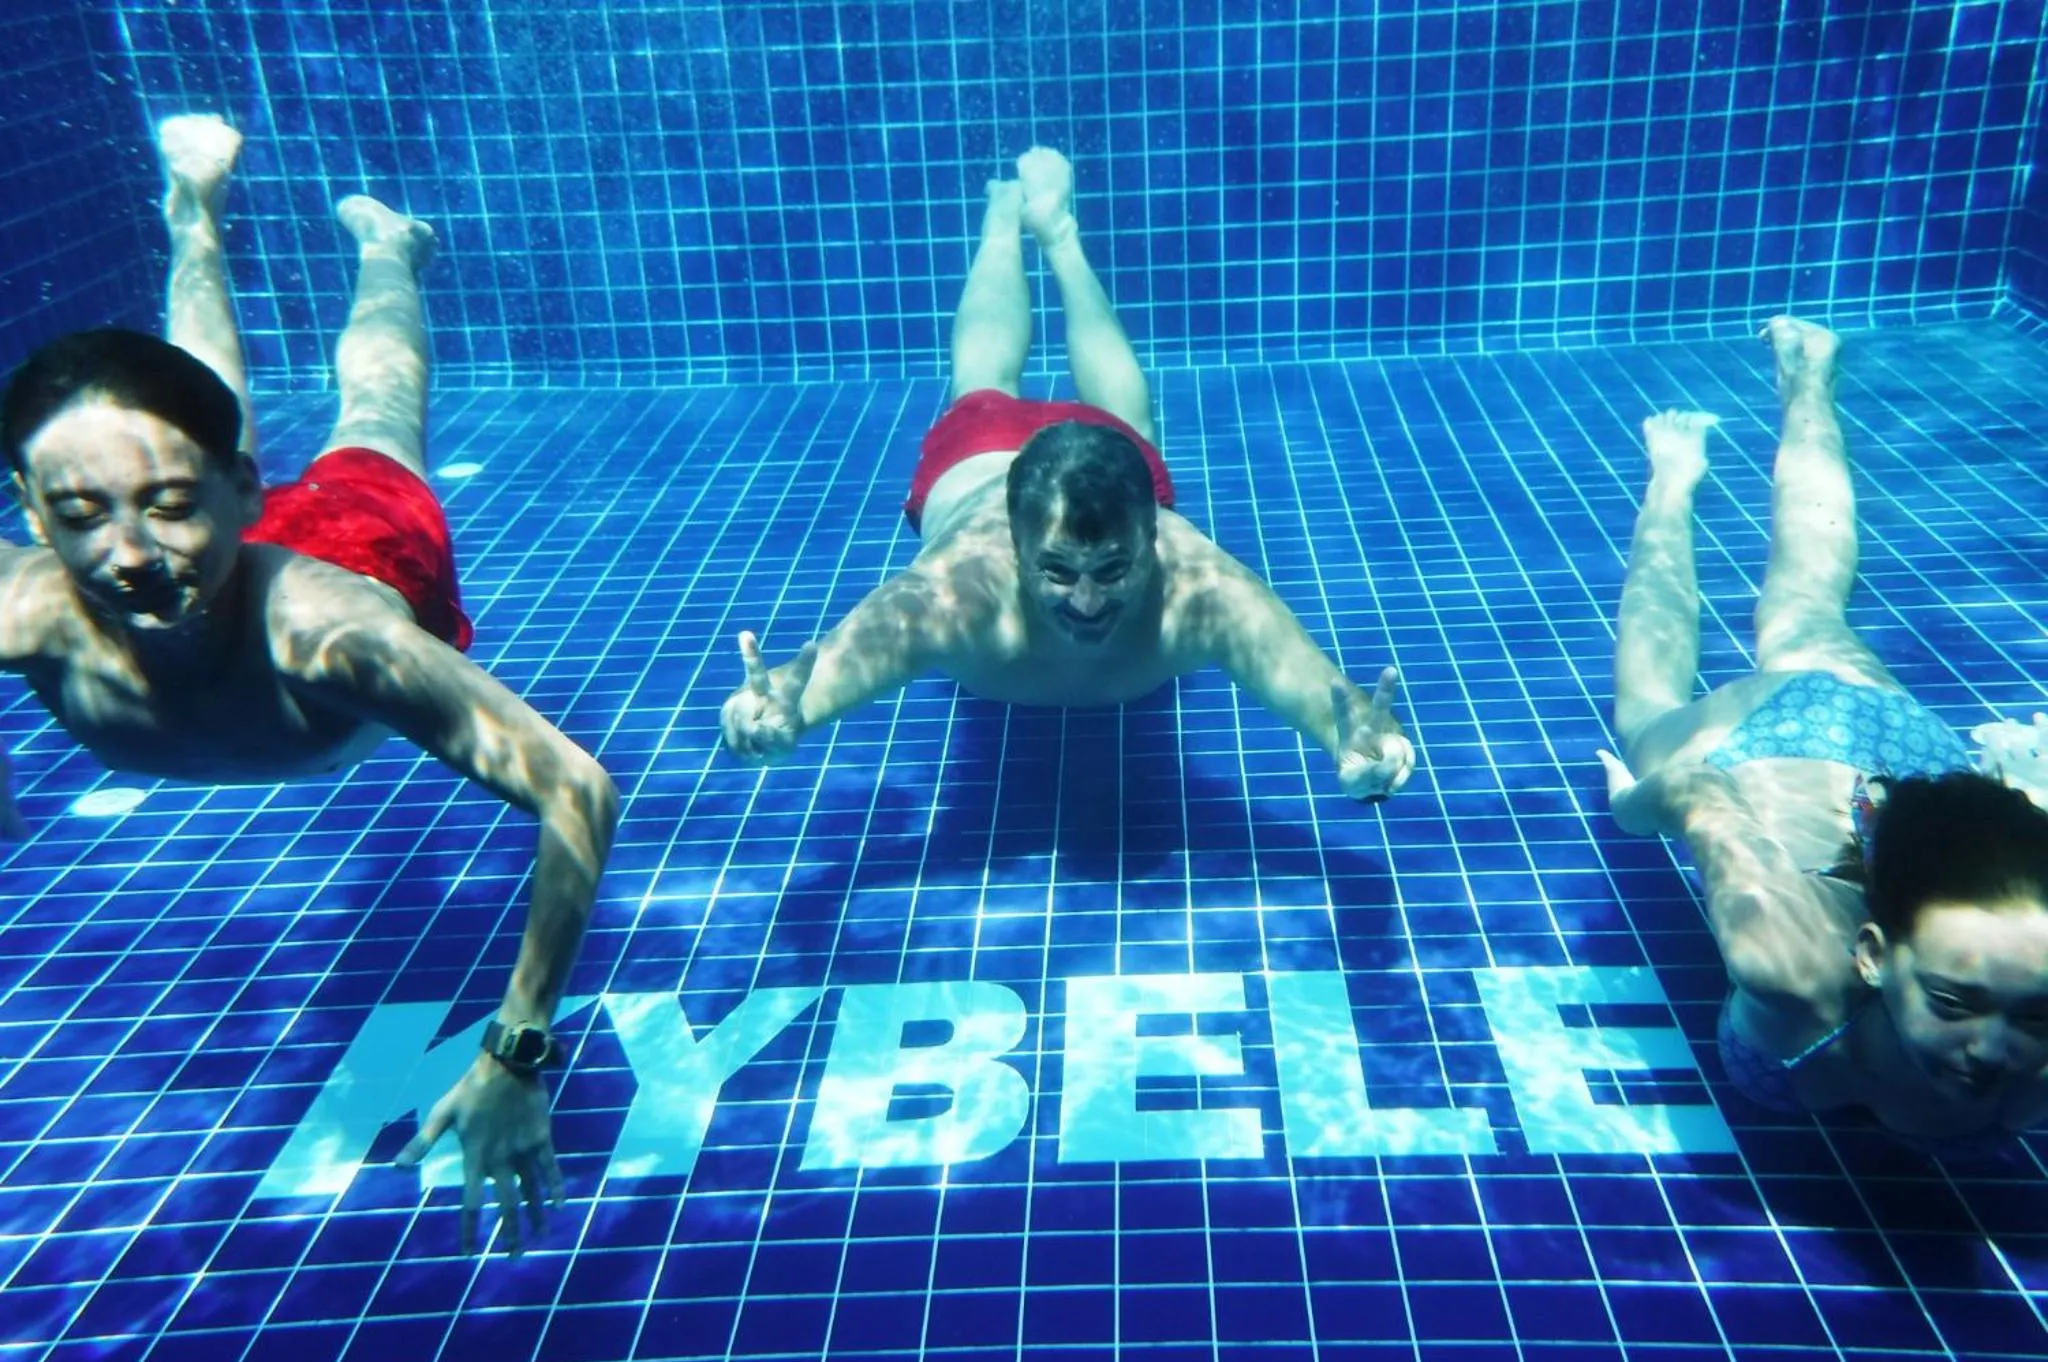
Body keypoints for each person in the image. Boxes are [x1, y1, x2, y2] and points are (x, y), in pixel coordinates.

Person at [0, 115, 619, 1252]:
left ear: (241, 494)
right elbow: (142, 508)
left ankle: (390, 247)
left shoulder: (339, 640)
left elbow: (575, 787)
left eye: (174, 506)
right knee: (180, 410)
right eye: (82, 517)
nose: (131, 555)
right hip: (232, 552)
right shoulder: (25, 604)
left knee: (377, 414)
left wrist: (518, 1047)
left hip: (356, 551)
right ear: (32, 519)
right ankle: (194, 212)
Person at [721, 148, 1413, 802]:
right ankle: (1003, 217)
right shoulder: (953, 598)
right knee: (985, 382)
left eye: (1112, 570)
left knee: (1123, 423)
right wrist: (773, 712)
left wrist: (1356, 741)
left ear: (1152, 539)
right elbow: (831, 667)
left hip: (1087, 464)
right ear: (1012, 549)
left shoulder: (1200, 591)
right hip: (983, 460)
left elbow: (1314, 686)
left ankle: (1056, 230)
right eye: (1056, 570)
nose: (1086, 603)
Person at [1599, 317, 2048, 1151]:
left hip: (1908, 756)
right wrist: (1632, 808)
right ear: (1871, 955)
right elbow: (1701, 788)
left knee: (1804, 608)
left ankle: (1809, 375)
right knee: (1648, 719)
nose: (1992, 1052)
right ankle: (1672, 480)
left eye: (2037, 1016)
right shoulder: (1790, 964)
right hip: (1789, 736)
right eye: (1954, 1002)